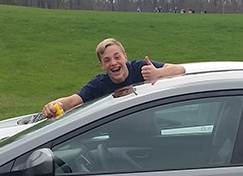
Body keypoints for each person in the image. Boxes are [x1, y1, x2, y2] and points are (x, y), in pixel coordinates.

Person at [42, 38, 185, 118]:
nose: (114, 63)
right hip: (116, 141)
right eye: (107, 60)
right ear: (102, 65)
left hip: (150, 137)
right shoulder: (99, 83)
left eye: (117, 57)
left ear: (125, 57)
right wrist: (55, 105)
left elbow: (180, 70)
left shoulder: (141, 68)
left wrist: (157, 74)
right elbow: (73, 100)